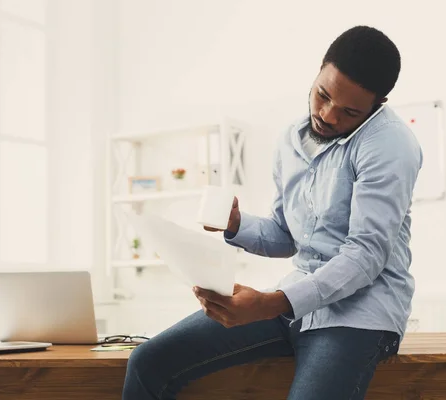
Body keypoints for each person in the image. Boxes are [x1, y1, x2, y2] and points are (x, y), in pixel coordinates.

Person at [123, 25, 422, 400]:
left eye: (348, 111)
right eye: (322, 95)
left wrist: (271, 304)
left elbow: (366, 256)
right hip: (294, 302)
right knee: (148, 362)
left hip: (359, 316)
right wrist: (236, 224)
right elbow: (286, 236)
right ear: (317, 73)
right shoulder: (291, 140)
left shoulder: (390, 145)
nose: (327, 115)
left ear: (378, 105)